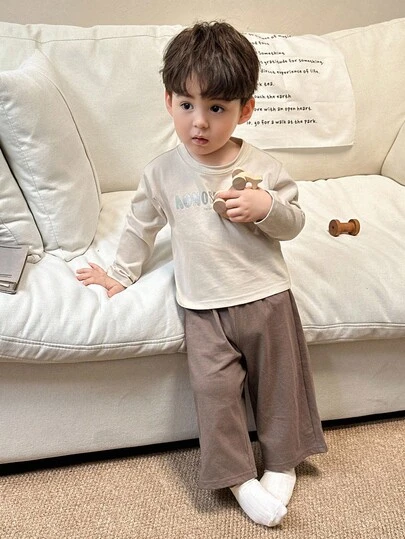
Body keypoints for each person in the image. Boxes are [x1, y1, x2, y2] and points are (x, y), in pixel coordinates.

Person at [77, 21, 327, 528]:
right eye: (187, 105)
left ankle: (282, 462)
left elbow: (294, 222)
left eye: (216, 108)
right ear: (168, 101)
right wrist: (121, 274)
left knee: (280, 386)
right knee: (215, 394)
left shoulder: (263, 167)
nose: (199, 123)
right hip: (203, 306)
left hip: (267, 298)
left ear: (245, 110)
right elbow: (141, 226)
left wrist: (265, 207)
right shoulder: (161, 173)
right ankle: (237, 477)